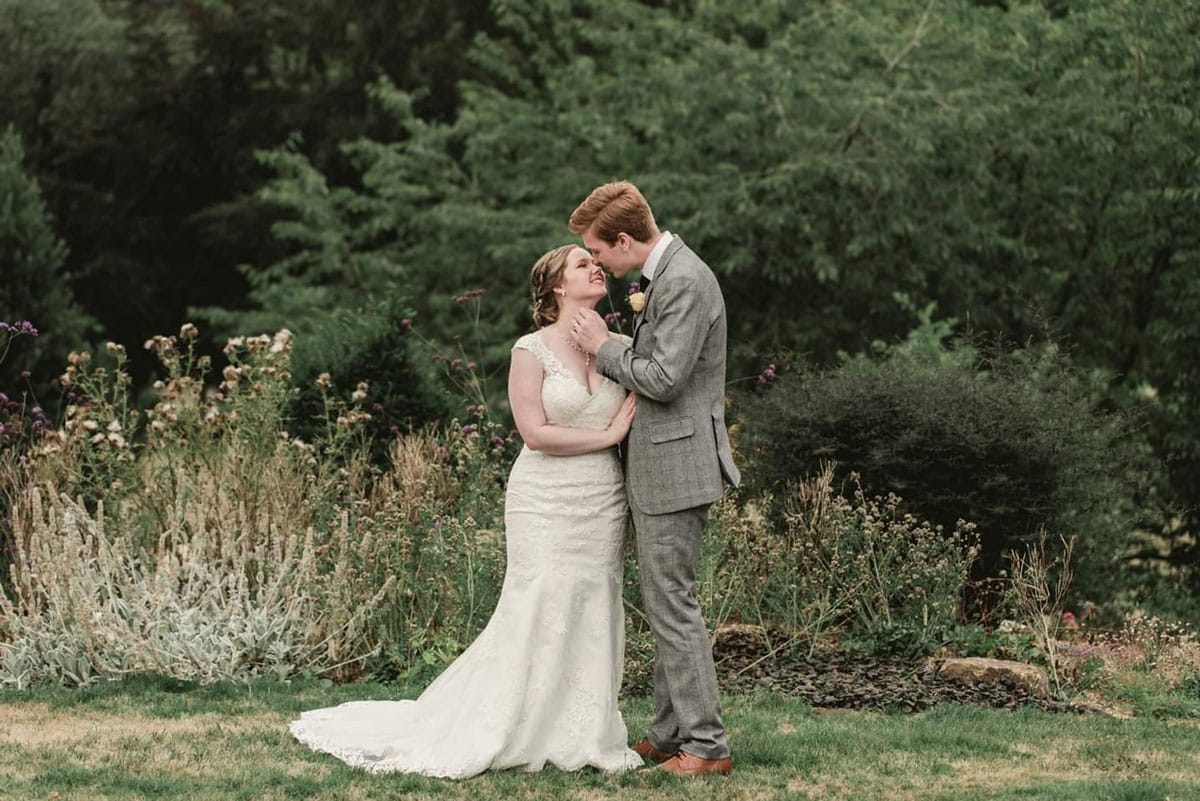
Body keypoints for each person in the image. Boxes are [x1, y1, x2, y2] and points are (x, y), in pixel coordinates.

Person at [290, 244, 640, 778]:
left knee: (594, 599)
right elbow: (535, 434)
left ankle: (582, 729)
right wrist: (611, 432)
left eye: (596, 262)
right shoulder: (532, 349)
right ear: (556, 287)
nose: (596, 266)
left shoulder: (618, 346)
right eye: (580, 263)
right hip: (545, 497)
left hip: (602, 498)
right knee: (538, 600)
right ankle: (509, 723)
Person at [567, 181, 740, 778]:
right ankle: (669, 735)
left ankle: (707, 746)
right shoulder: (666, 277)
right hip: (664, 464)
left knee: (674, 606)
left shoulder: (687, 280)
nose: (600, 266)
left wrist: (605, 344)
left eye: (599, 251)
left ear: (623, 239)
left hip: (678, 465)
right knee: (664, 602)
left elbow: (664, 378)